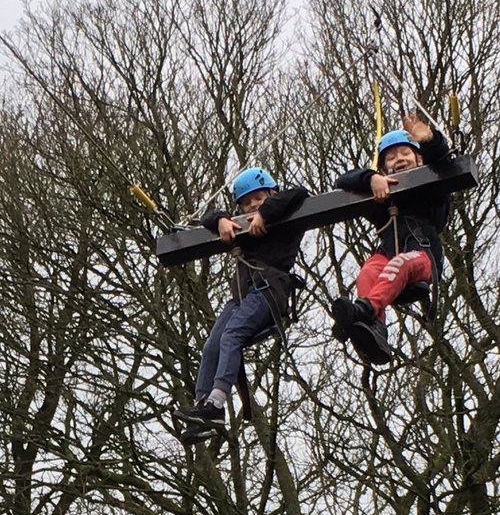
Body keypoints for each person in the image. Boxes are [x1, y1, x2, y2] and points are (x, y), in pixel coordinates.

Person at [175, 168, 308, 443]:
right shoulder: (242, 224)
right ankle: (204, 406)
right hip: (242, 297)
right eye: (247, 203)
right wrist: (221, 220)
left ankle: (217, 401)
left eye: (258, 198)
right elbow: (208, 217)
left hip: (268, 290)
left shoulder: (284, 212)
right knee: (212, 344)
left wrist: (265, 213)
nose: (253, 205)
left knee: (232, 335)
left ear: (272, 193)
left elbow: (299, 194)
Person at [329, 113, 452, 363]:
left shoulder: (433, 185)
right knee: (368, 270)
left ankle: (365, 310)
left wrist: (429, 139)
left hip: (422, 255)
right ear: (385, 169)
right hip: (389, 253)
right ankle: (374, 330)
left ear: (419, 157)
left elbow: (441, 159)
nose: (400, 160)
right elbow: (343, 180)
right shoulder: (382, 198)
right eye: (392, 158)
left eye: (405, 154)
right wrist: (371, 179)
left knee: (401, 263)